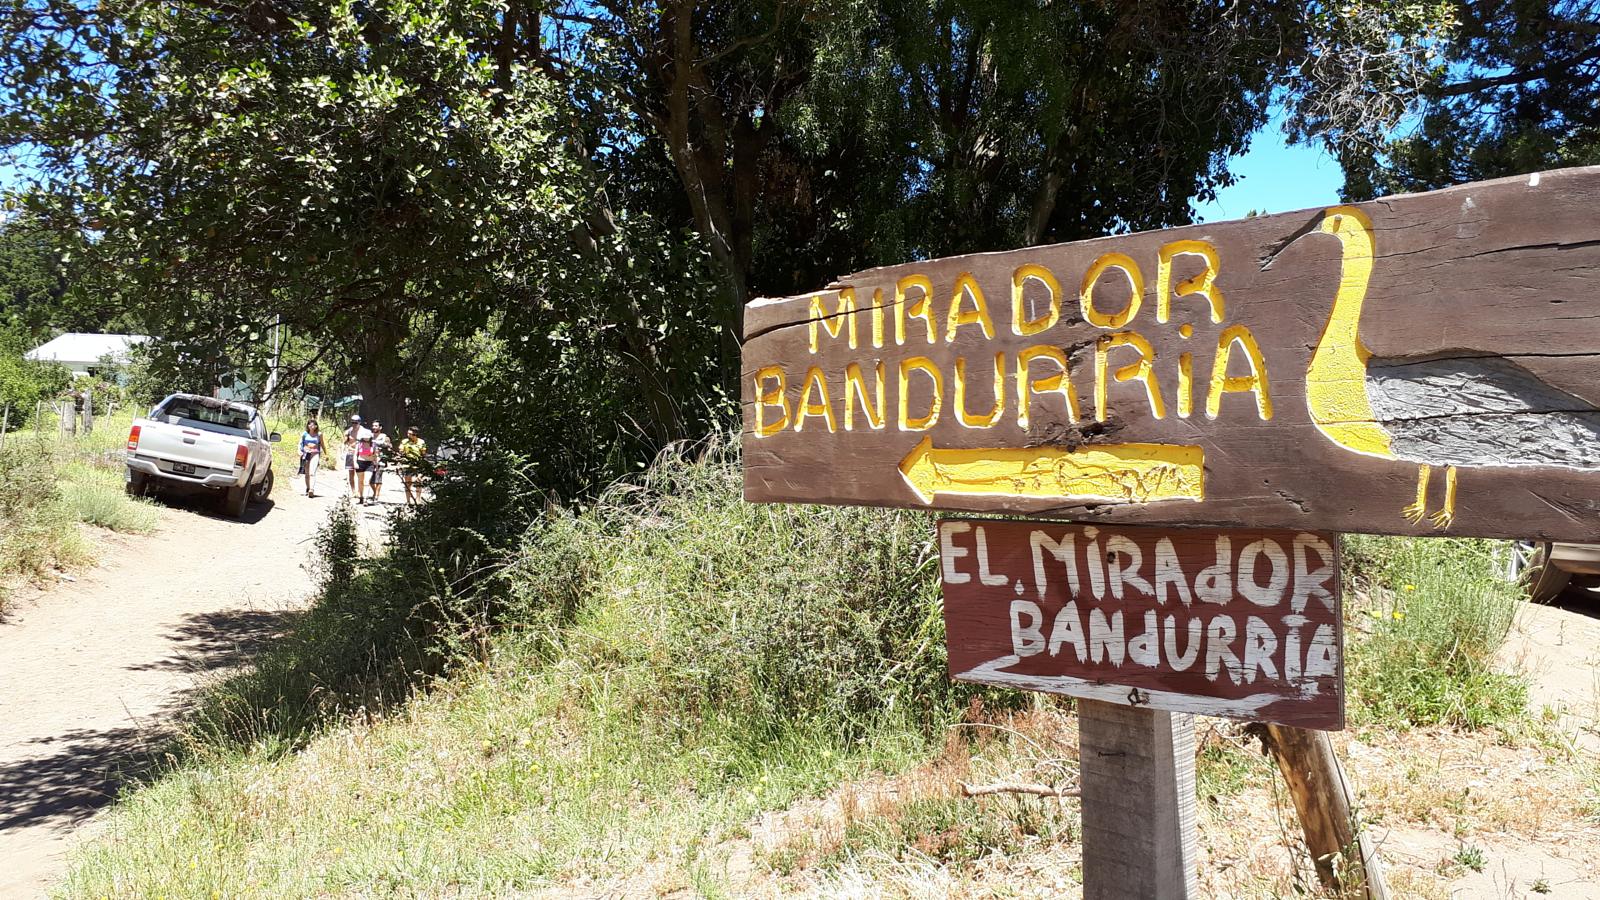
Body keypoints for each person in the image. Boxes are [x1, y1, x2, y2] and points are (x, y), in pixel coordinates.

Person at [344, 414, 374, 503]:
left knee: (361, 475)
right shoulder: (349, 431)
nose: (354, 424)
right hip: (351, 452)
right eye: (352, 422)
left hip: (362, 454)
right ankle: (354, 491)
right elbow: (345, 442)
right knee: (351, 472)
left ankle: (362, 492)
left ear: (359, 422)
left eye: (356, 422)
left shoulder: (364, 431)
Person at [398, 426, 427, 506]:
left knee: (418, 481)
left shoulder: (421, 442)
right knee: (408, 483)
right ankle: (408, 501)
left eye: (410, 434)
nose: (408, 435)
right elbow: (401, 451)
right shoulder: (404, 441)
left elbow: (423, 454)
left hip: (418, 463)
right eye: (408, 433)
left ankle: (418, 499)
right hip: (407, 464)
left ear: (415, 434)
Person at [368, 421, 393, 505]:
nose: (374, 427)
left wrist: (381, 445)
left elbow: (389, 446)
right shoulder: (369, 436)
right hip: (370, 459)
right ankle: (374, 493)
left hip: (381, 460)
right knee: (370, 481)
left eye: (376, 426)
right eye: (373, 426)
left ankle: (376, 496)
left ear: (380, 427)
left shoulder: (384, 437)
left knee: (378, 478)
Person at [299, 419, 326, 497]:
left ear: (316, 426)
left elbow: (322, 444)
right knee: (306, 473)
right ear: (308, 426)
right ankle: (308, 488)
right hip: (306, 454)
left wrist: (326, 454)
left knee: (312, 472)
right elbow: (300, 443)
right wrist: (299, 451)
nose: (311, 426)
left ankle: (312, 489)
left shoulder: (319, 434)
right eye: (310, 424)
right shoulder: (304, 434)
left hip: (315, 454)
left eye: (313, 425)